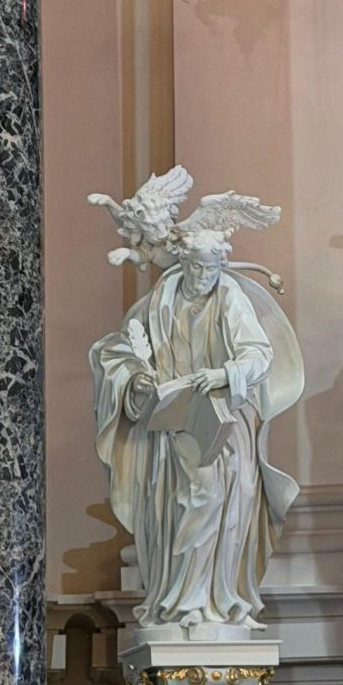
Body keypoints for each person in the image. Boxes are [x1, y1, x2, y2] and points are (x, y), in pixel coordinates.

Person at [90, 173, 302, 634]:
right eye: (198, 269)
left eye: (211, 269)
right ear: (184, 262)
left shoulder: (229, 297)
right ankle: (176, 600)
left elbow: (258, 354)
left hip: (223, 422)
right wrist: (138, 382)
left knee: (217, 502)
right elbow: (118, 354)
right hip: (172, 425)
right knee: (177, 506)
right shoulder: (159, 302)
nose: (205, 277)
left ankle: (215, 601)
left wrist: (223, 374)